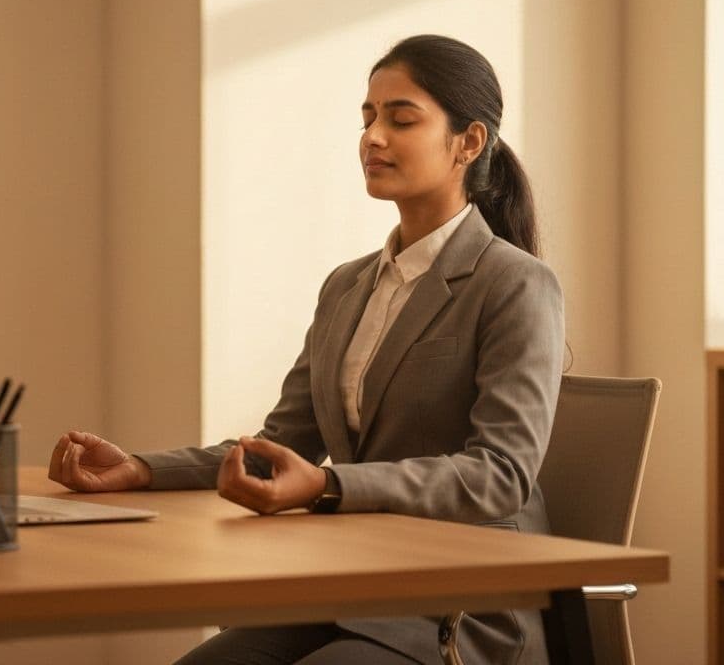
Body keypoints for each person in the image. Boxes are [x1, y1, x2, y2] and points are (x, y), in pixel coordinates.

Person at [48, 34, 565, 665]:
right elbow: (280, 445)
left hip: (461, 604)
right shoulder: (347, 286)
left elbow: (501, 476)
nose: (373, 136)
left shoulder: (514, 284)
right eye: (368, 117)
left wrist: (325, 485)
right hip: (348, 586)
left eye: (401, 118)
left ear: (469, 142)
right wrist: (140, 470)